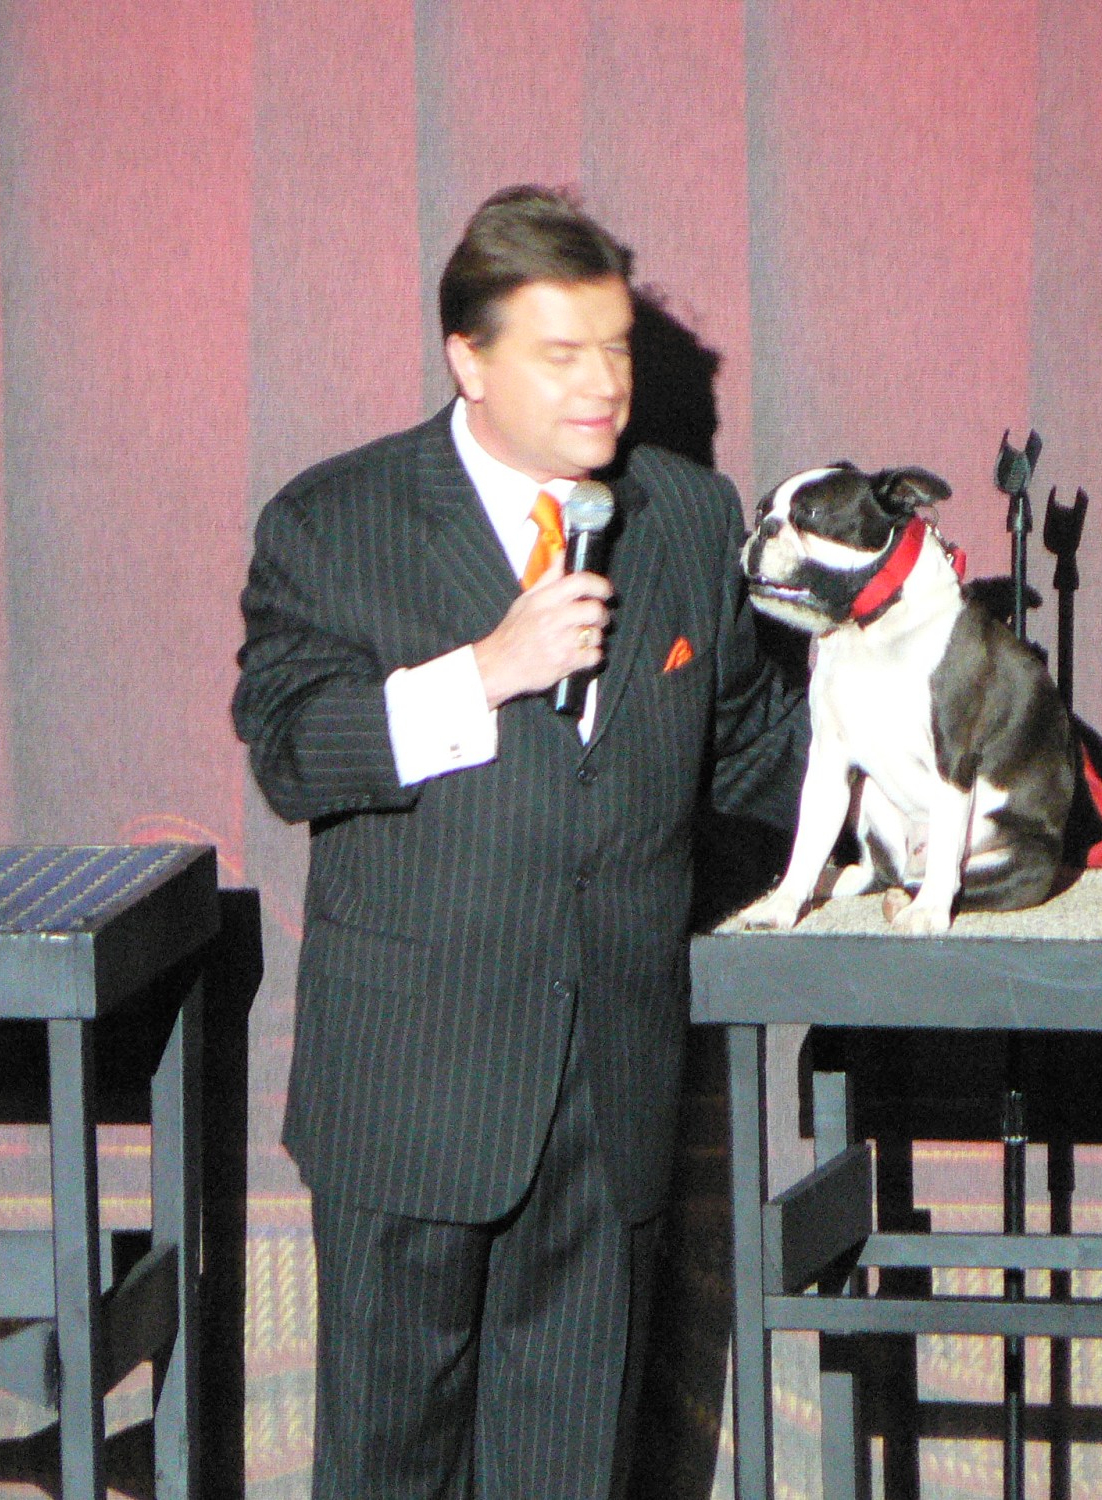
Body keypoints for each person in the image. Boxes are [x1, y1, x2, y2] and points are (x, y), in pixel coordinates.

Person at [232, 185, 806, 1499]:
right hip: (412, 1099)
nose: (604, 385)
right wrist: (486, 670)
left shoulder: (686, 515)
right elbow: (293, 751)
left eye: (617, 348)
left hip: (610, 1101)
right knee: (388, 1473)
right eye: (563, 353)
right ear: (470, 360)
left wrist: (937, 748)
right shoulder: (337, 521)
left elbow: (751, 747)